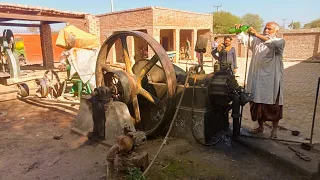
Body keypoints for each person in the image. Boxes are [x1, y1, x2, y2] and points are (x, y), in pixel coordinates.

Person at [235, 22, 285, 138]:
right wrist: (239, 31)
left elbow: (272, 44)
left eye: (270, 29)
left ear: (276, 31)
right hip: (257, 80)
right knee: (257, 105)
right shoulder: (256, 41)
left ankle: (274, 130)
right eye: (265, 28)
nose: (266, 30)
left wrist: (257, 34)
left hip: (271, 82)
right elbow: (244, 40)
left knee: (274, 106)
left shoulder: (279, 41)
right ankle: (260, 127)